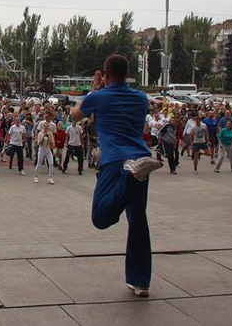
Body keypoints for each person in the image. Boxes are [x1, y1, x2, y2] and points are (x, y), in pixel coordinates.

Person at [72, 55, 162, 298]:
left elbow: (74, 115)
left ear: (106, 74)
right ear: (127, 73)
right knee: (138, 220)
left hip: (115, 162)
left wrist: (94, 90)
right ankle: (140, 282)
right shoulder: (140, 97)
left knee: (101, 217)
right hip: (140, 156)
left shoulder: (99, 96)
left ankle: (129, 178)